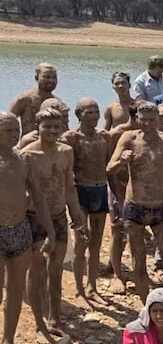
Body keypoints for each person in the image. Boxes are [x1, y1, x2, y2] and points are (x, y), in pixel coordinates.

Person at [106, 101, 163, 302]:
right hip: (135, 207)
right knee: (138, 259)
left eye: (152, 120)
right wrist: (121, 161)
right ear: (138, 119)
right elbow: (110, 169)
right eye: (144, 119)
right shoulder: (129, 138)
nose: (148, 124)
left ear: (158, 119)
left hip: (161, 206)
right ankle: (146, 306)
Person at [21, 108, 86, 340]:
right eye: (46, 126)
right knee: (37, 270)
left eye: (55, 127)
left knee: (56, 270)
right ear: (37, 127)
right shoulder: (27, 154)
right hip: (34, 218)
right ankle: (39, 320)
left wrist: (77, 217)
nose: (51, 131)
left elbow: (69, 187)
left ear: (62, 128)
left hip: (59, 216)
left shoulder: (66, 151)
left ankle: (55, 317)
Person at [0, 112, 54, 344]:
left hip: (19, 229)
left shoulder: (22, 160)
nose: (14, 135)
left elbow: (39, 198)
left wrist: (50, 230)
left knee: (15, 289)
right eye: (7, 130)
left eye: (16, 130)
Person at [61, 98, 109, 304]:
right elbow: (64, 171)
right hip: (81, 191)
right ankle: (79, 288)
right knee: (81, 241)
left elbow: (110, 167)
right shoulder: (71, 138)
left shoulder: (104, 137)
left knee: (96, 244)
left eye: (96, 111)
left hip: (100, 189)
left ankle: (92, 286)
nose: (94, 115)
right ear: (79, 114)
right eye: (89, 112)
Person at [9, 63, 58, 135]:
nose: (51, 80)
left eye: (54, 77)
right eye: (46, 77)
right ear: (36, 78)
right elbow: (8, 121)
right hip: (27, 144)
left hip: (51, 145)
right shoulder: (25, 99)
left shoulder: (57, 103)